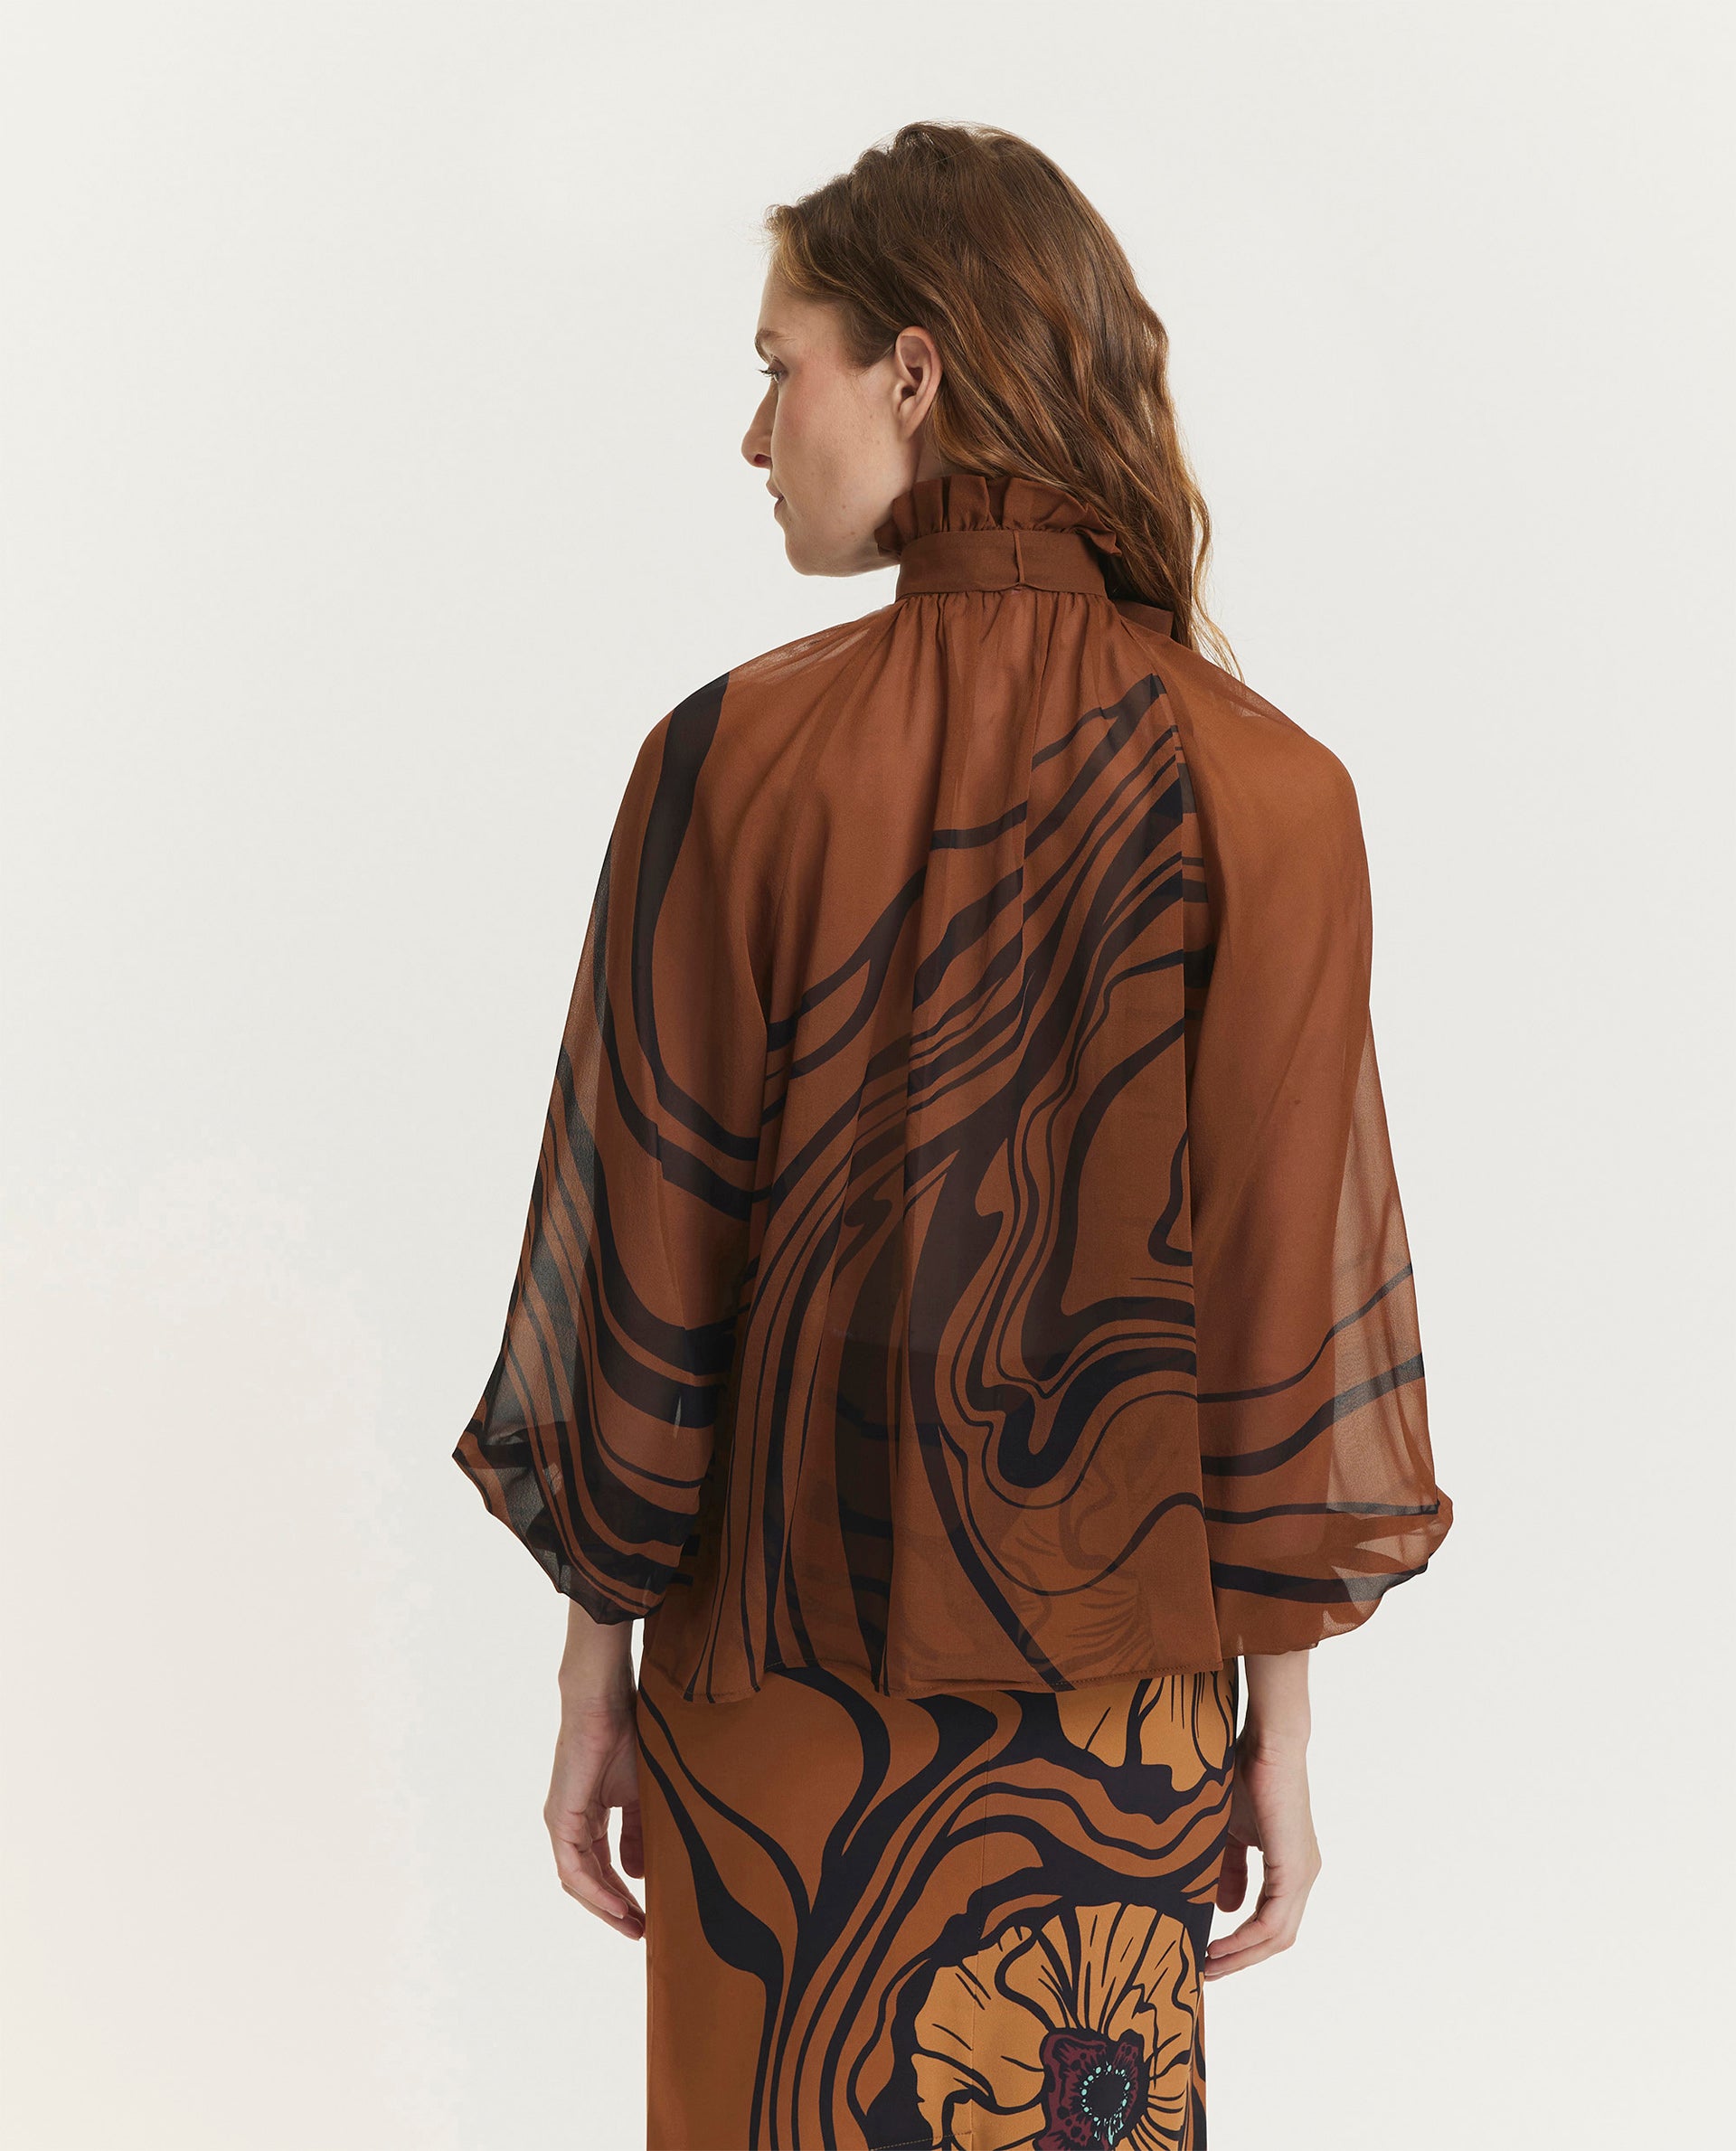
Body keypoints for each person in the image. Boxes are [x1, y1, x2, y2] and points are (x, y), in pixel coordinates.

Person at [453, 120, 1452, 2151]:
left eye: (780, 366)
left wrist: (591, 1675)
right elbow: (1280, 1311)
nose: (755, 436)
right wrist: (1278, 1726)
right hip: (1114, 1721)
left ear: (913, 371)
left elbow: (644, 1268)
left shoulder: (727, 760)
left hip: (767, 1703)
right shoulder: (1270, 789)